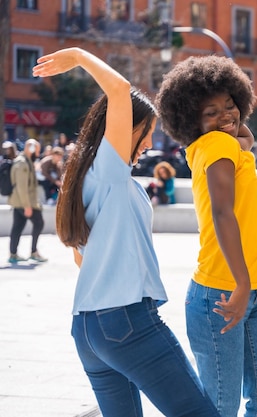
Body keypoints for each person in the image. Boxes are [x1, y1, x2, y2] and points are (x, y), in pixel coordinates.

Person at [32, 47, 220, 417]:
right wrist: (79, 56)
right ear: (126, 129)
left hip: (88, 329)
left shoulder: (84, 177)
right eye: (147, 133)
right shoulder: (109, 169)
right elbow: (119, 91)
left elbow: (81, 256)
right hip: (127, 323)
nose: (149, 143)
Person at [155, 55, 257, 417]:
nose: (225, 117)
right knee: (222, 407)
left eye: (230, 106)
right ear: (190, 120)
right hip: (225, 291)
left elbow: (243, 137)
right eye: (210, 112)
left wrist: (241, 131)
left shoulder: (227, 147)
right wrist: (241, 284)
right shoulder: (215, 146)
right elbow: (222, 211)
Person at [7, 138, 47, 263]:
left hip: (20, 202)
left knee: (17, 227)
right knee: (39, 223)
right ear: (31, 148)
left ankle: (13, 254)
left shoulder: (26, 161)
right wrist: (27, 206)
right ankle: (33, 252)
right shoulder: (22, 164)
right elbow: (22, 187)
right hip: (24, 202)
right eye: (37, 149)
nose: (38, 152)